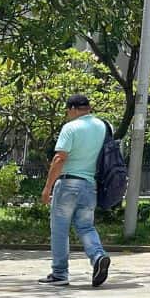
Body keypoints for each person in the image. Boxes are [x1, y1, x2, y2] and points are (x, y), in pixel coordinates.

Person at [38, 95, 111, 287]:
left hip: (68, 183)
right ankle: (98, 256)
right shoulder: (103, 126)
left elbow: (60, 158)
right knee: (86, 226)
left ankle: (59, 274)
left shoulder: (71, 127)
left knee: (60, 229)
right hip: (89, 185)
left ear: (72, 108)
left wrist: (47, 188)